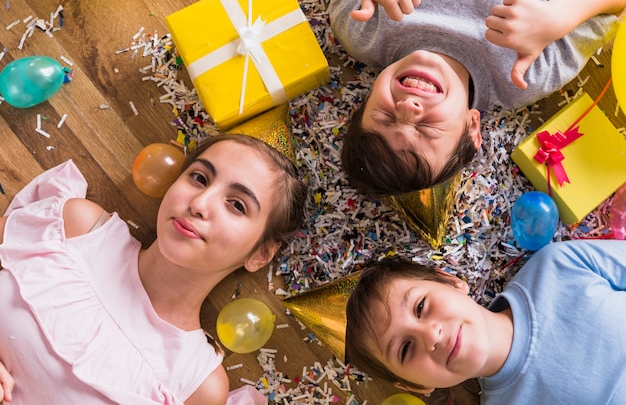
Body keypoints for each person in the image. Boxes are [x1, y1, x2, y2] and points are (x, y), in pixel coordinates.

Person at [0, 133, 307, 405]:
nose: (200, 202)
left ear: (261, 254)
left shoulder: (198, 386)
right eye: (199, 178)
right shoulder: (75, 228)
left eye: (237, 205)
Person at [328, 0, 625, 195]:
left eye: (385, 117)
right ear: (472, 126)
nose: (408, 108)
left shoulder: (361, 28)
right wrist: (558, 16)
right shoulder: (525, 75)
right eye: (427, 128)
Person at [344, 240, 626, 403]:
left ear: (450, 281)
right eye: (405, 349)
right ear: (417, 387)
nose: (431, 335)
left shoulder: (559, 265)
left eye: (421, 306)